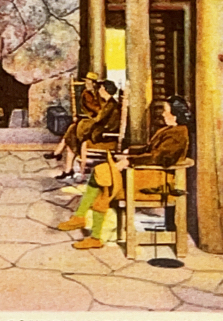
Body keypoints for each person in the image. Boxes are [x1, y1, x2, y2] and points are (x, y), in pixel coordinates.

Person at [56, 95, 191, 249]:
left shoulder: (178, 134)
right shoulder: (170, 129)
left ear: (175, 114)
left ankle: (89, 227)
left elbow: (158, 158)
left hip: (153, 180)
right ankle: (86, 225)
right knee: (102, 176)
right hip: (146, 175)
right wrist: (131, 151)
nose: (163, 114)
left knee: (103, 177)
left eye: (166, 111)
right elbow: (149, 150)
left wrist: (129, 161)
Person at [52, 81, 122, 181]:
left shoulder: (110, 105)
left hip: (104, 135)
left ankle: (74, 170)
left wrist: (85, 124)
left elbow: (100, 120)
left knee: (76, 134)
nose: (99, 90)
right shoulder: (107, 103)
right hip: (99, 131)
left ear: (105, 90)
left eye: (101, 88)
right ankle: (68, 169)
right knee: (74, 132)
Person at [44, 72, 103, 163]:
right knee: (72, 130)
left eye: (88, 82)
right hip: (91, 119)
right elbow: (95, 109)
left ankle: (58, 152)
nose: (86, 84)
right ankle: (59, 153)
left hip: (96, 122)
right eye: (86, 82)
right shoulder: (87, 94)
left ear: (94, 84)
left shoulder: (98, 94)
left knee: (72, 130)